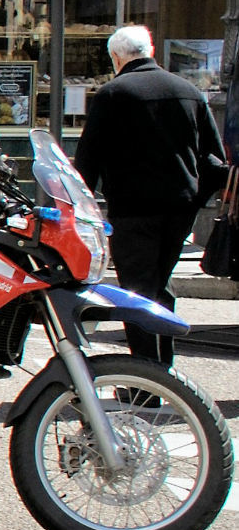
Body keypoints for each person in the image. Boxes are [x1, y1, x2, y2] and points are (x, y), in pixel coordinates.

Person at [75, 25, 228, 367]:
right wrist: (195, 195)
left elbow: (89, 158)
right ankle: (163, 370)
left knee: (137, 291)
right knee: (160, 284)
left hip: (132, 209)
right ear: (151, 50)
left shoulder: (113, 94)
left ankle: (145, 381)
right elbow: (213, 159)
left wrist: (82, 205)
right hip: (180, 208)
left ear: (116, 57)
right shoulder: (188, 91)